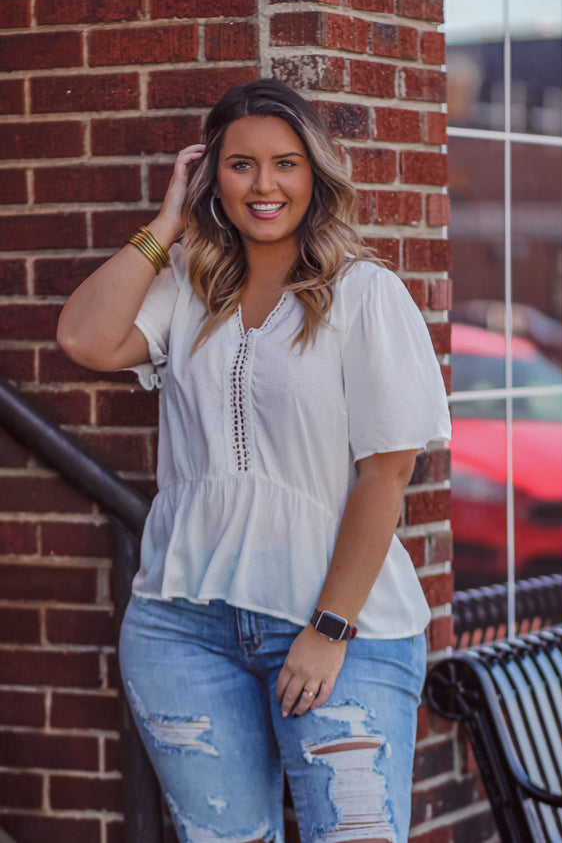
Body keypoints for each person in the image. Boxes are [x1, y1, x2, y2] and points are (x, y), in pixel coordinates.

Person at [57, 78, 451, 843]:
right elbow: (84, 338)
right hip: (182, 626)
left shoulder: (365, 296)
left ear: (315, 175)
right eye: (240, 164)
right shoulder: (188, 291)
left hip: (339, 628)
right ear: (213, 176)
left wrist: (329, 628)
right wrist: (167, 222)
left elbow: (386, 476)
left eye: (285, 163)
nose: (264, 184)